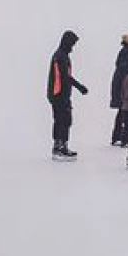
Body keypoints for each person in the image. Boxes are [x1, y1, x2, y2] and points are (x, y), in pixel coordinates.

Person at [46, 30, 87, 160]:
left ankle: (58, 146)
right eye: (72, 44)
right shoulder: (61, 56)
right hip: (59, 94)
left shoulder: (60, 54)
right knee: (64, 120)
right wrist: (80, 87)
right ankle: (61, 147)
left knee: (60, 120)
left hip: (57, 94)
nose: (73, 47)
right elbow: (65, 77)